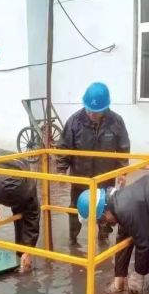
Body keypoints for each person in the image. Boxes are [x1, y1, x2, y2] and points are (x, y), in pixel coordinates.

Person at [56, 82, 130, 245]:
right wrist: (61, 170)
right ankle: (73, 239)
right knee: (75, 209)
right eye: (89, 109)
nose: (91, 114)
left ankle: (103, 238)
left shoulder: (116, 122)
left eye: (95, 111)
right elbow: (64, 147)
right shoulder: (74, 121)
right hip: (80, 178)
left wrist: (122, 172)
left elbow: (123, 149)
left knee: (105, 209)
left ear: (105, 108)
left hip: (105, 178)